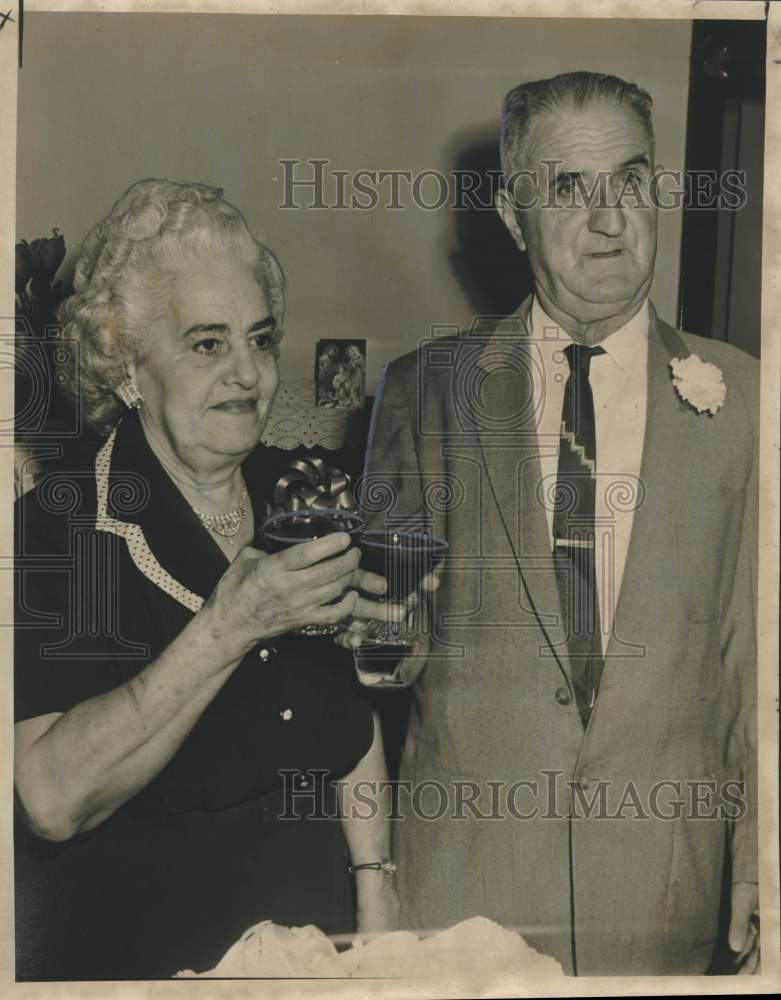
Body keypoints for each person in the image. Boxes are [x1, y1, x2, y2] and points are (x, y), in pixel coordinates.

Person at [344, 72, 759, 975]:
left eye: (632, 181)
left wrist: (760, 859)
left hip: (660, 894)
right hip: (465, 892)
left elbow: (754, 663)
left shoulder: (746, 401)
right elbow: (382, 653)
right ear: (509, 213)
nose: (610, 220)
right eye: (569, 188)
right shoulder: (426, 391)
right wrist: (371, 615)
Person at [13, 179, 400, 980]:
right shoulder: (62, 528)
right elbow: (50, 800)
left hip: (320, 944)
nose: (248, 375)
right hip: (147, 956)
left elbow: (350, 725)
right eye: (206, 343)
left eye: (260, 340)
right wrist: (230, 625)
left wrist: (378, 888)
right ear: (126, 365)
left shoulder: (305, 488)